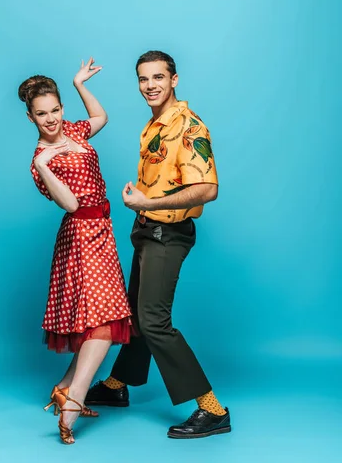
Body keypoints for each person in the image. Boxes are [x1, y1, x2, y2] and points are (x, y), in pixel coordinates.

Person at [85, 50, 231, 439]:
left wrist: (149, 203)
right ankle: (118, 386)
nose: (150, 86)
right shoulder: (154, 125)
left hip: (169, 234)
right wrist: (143, 203)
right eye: (143, 79)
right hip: (147, 229)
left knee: (153, 320)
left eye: (158, 78)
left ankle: (212, 409)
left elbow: (207, 189)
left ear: (174, 80)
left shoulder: (189, 127)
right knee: (136, 311)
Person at [18, 59, 133, 445]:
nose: (50, 120)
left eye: (54, 110)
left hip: (104, 230)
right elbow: (69, 204)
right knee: (105, 317)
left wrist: (79, 83)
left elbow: (100, 116)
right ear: (31, 117)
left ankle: (65, 386)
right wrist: (44, 164)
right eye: (41, 114)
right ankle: (73, 401)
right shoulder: (39, 163)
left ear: (62, 109)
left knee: (98, 317)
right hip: (81, 236)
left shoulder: (75, 131)